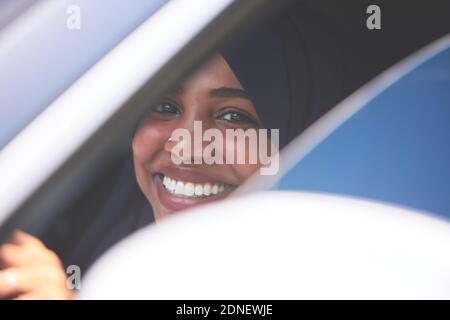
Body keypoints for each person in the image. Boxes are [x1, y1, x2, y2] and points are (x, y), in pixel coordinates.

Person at [0, 9, 356, 299]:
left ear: (302, 134)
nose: (185, 148)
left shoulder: (337, 280)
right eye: (165, 105)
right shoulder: (95, 228)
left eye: (234, 117)